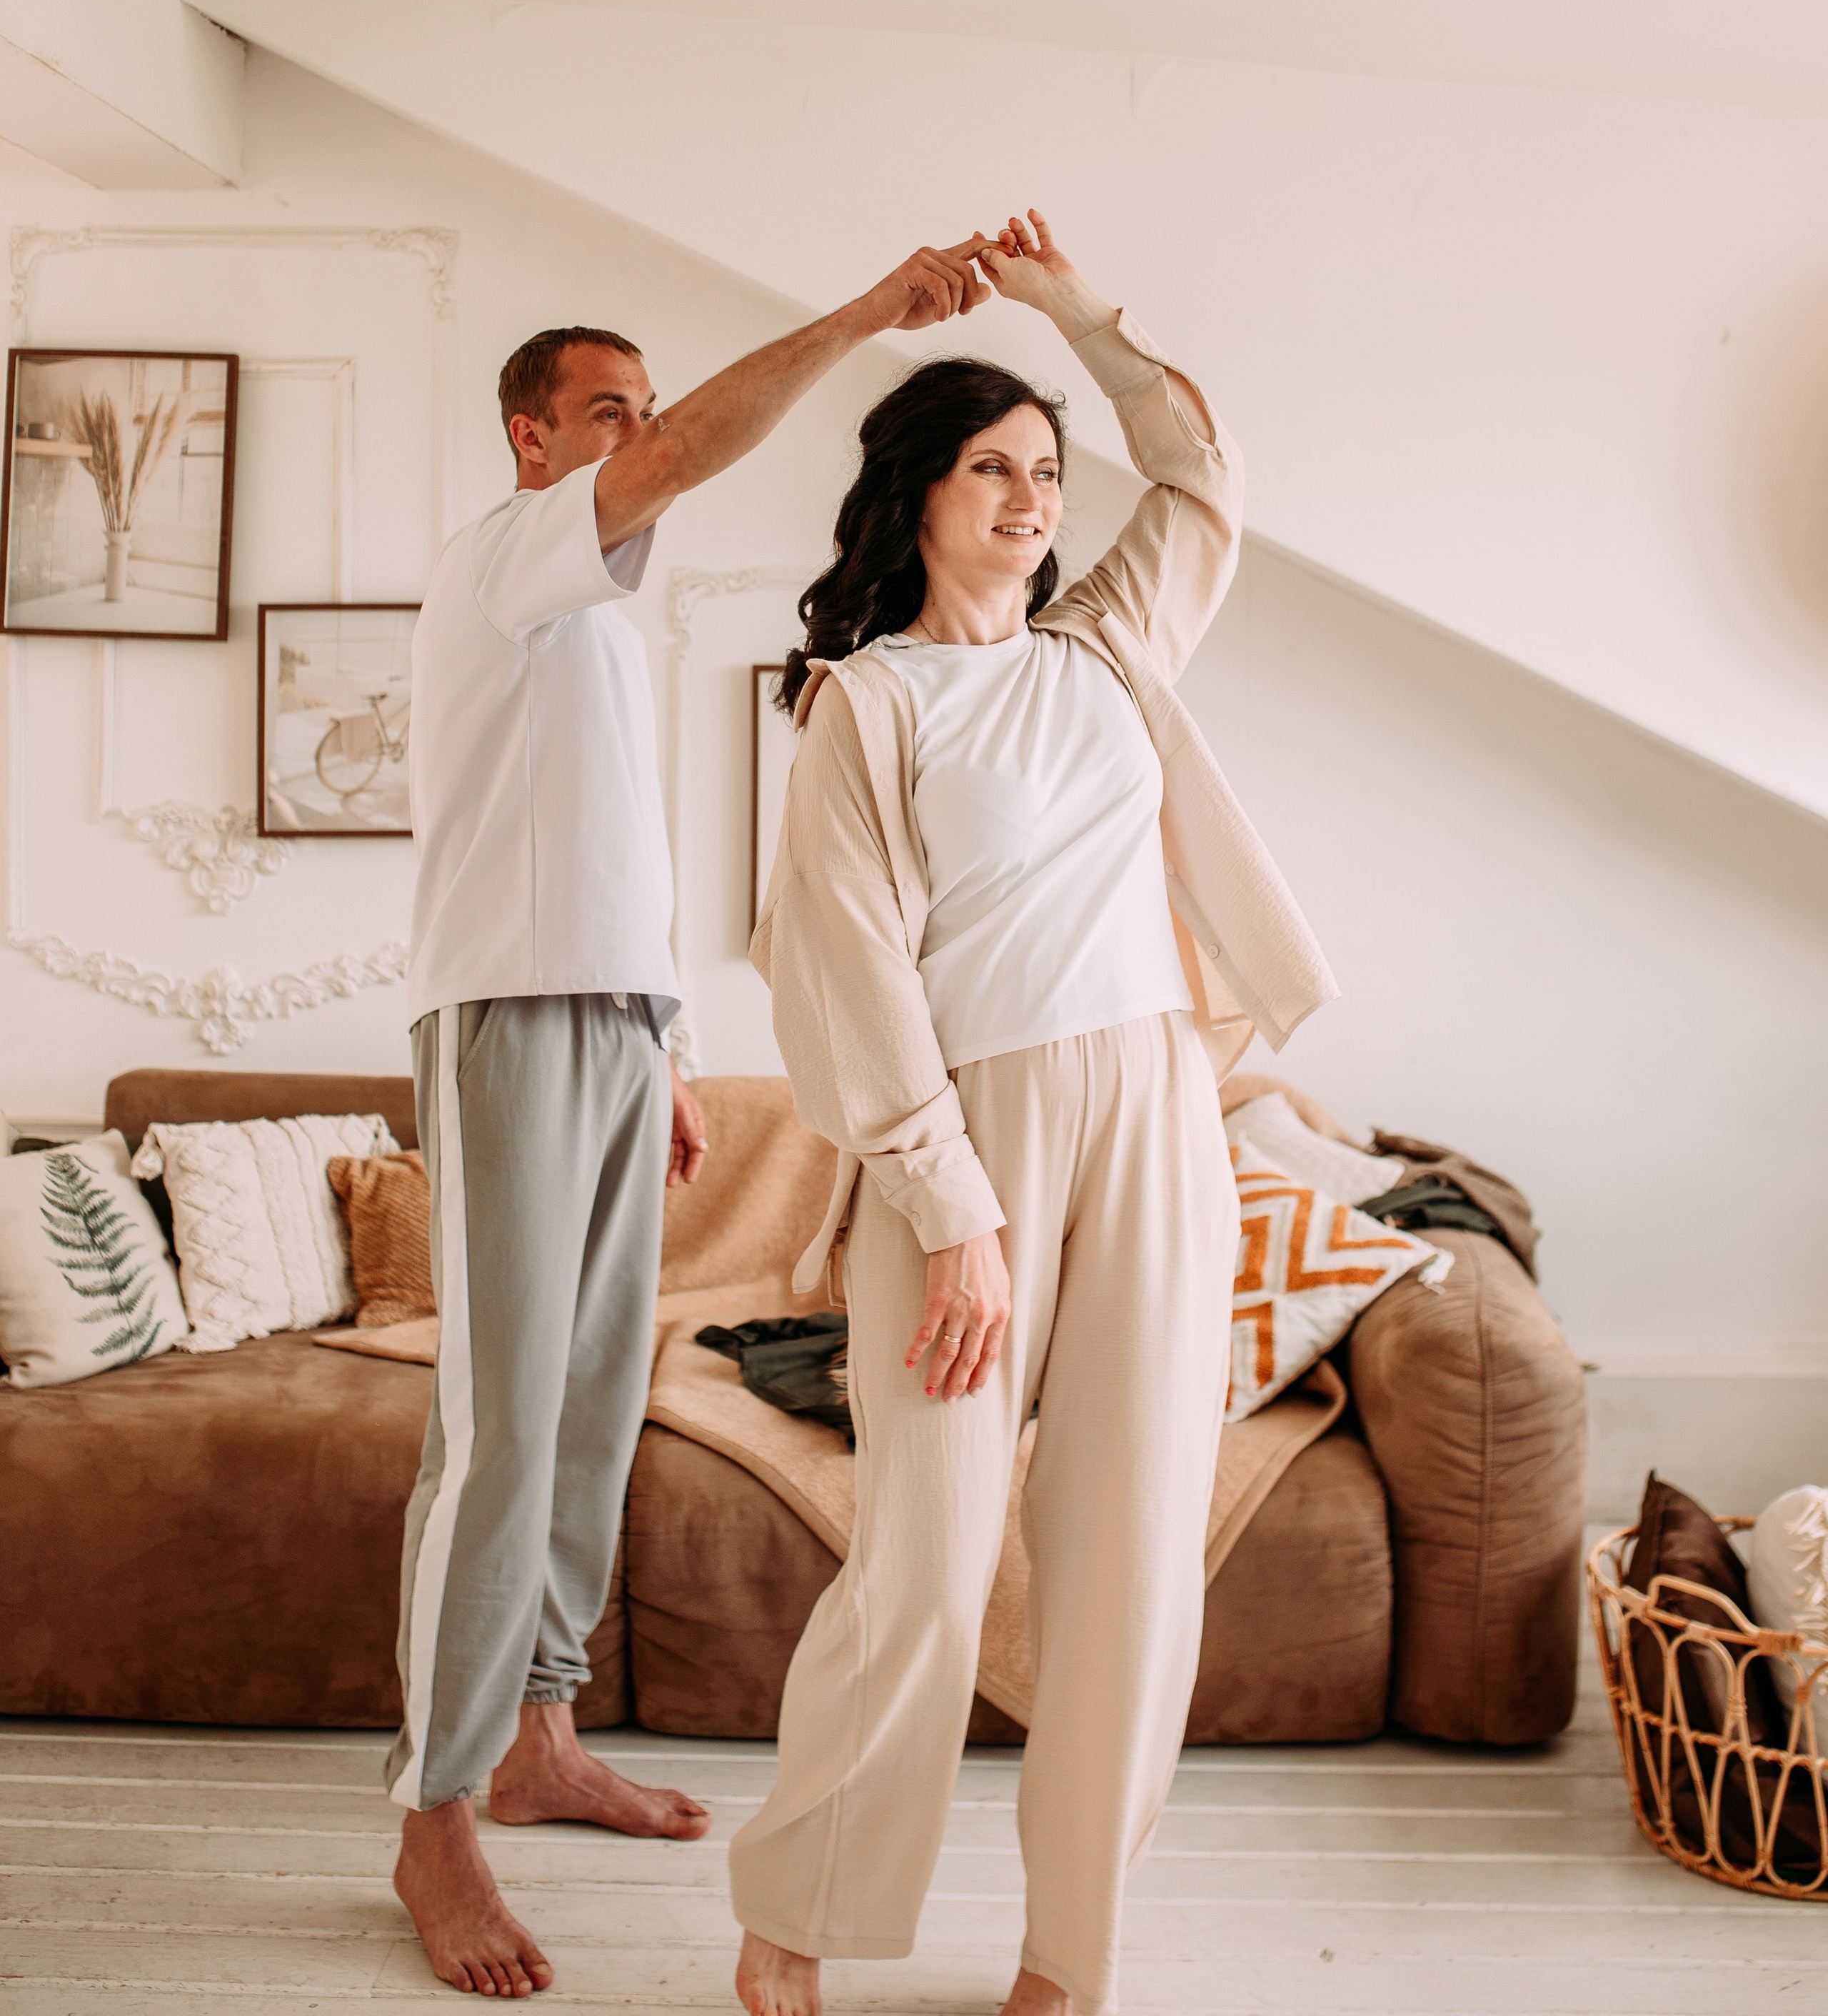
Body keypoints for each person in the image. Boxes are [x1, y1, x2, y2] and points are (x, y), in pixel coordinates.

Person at [731, 213, 1337, 2016]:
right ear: (913, 493)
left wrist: (1069, 306)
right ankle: (799, 1917)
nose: (1026, 493)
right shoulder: (868, 703)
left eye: (1046, 468)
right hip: (965, 1141)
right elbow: (843, 971)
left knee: (1133, 1555)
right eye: (987, 464)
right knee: (921, 1556)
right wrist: (953, 1209)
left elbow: (1203, 461)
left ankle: (1068, 1960)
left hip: (1154, 1098)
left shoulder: (1107, 646)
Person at [389, 236, 999, 2000]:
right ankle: (434, 1814)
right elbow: (689, 457)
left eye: (642, 412)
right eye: (604, 413)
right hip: (500, 1022)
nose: (638, 437)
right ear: (526, 437)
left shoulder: (594, 615)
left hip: (603, 1026)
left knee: (588, 1403)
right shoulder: (515, 551)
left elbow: (593, 841)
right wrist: (872, 317)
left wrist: (660, 1038)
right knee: (499, 1426)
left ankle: (538, 1737)